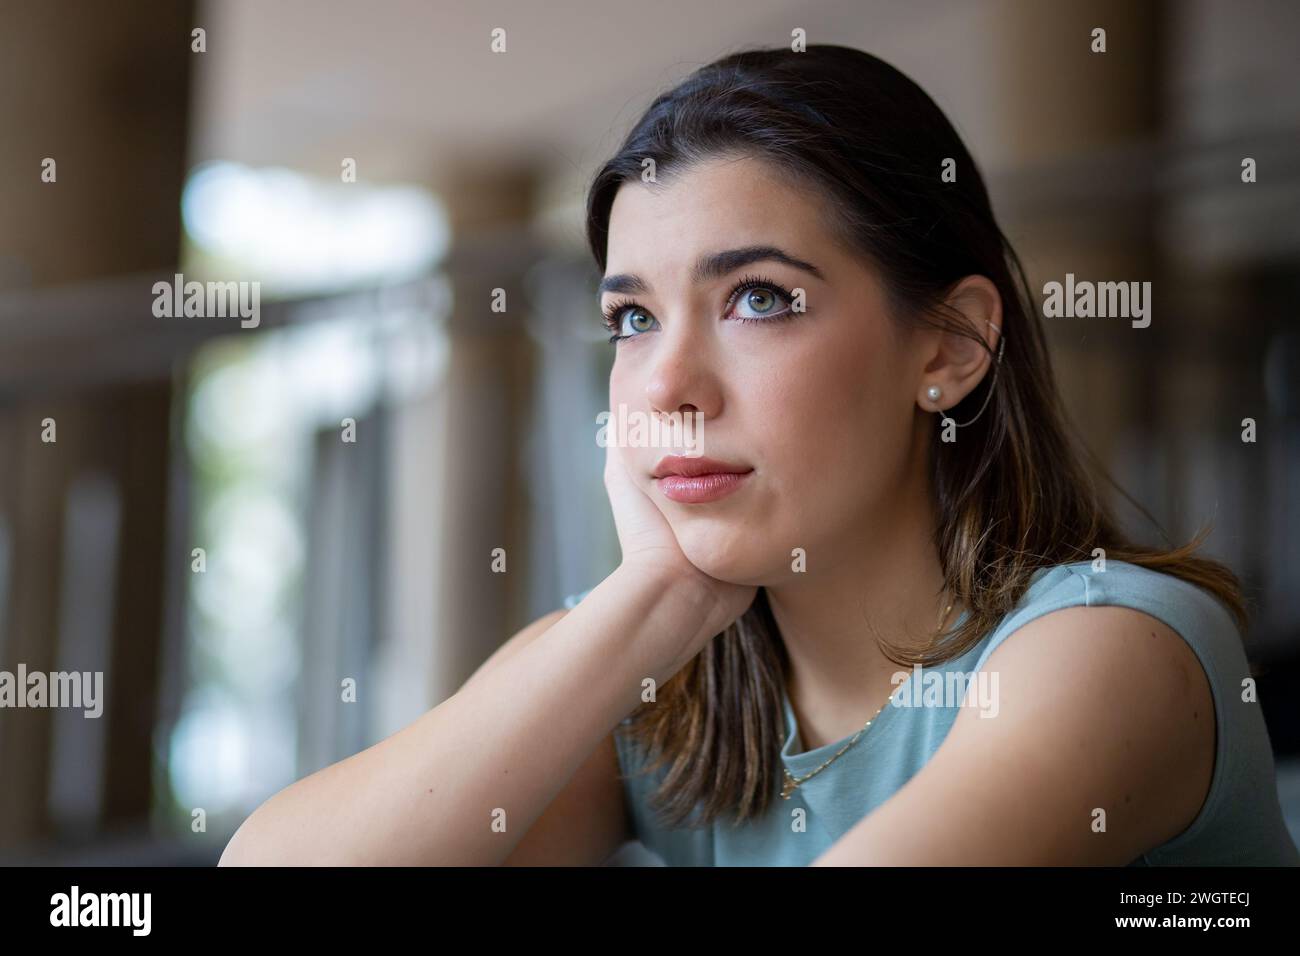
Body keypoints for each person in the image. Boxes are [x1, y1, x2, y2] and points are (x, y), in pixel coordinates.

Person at [219, 44, 1299, 867]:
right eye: (633, 317)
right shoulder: (657, 680)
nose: (667, 383)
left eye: (759, 298)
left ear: (952, 344)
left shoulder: (1107, 651)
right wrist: (653, 600)